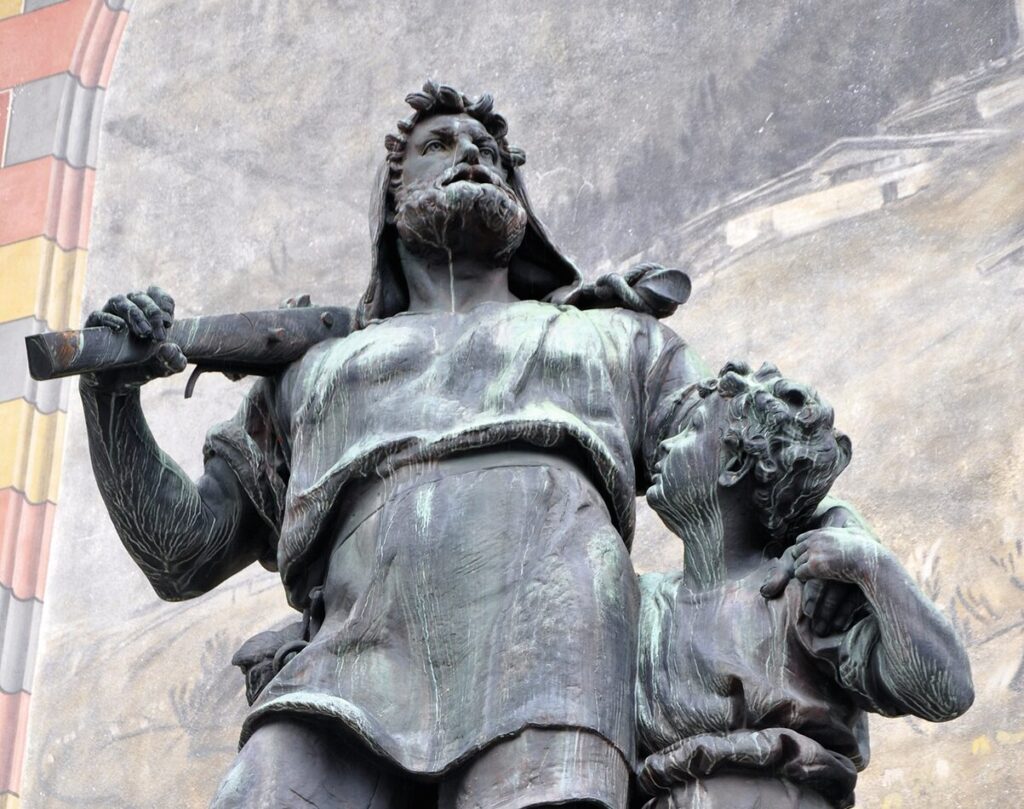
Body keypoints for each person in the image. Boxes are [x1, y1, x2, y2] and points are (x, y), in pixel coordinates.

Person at [79, 82, 879, 809]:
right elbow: (183, 551)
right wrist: (110, 397)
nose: (471, 153)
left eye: (490, 149)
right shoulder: (313, 371)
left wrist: (850, 552)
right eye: (440, 144)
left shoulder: (617, 340)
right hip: (348, 666)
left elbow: (756, 463)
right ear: (390, 200)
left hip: (554, 649)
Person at [637, 361, 974, 809]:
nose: (665, 445)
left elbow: (946, 694)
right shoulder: (638, 610)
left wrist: (872, 565)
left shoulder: (804, 594)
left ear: (735, 464)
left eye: (691, 430)